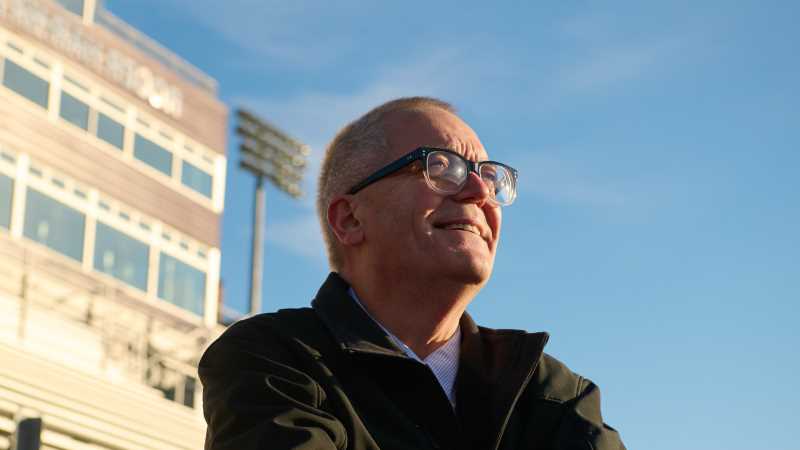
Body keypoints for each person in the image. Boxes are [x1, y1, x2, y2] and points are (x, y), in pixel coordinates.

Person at [199, 97, 626, 450]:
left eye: (490, 178)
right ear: (349, 219)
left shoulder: (555, 394)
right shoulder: (271, 359)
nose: (479, 192)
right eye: (441, 167)